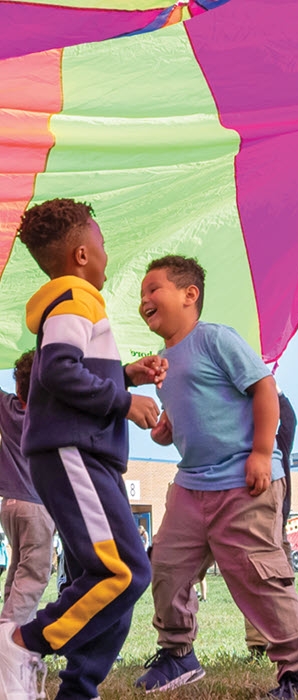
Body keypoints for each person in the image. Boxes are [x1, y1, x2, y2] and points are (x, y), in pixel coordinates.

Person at [135, 255, 298, 698]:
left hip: (244, 480)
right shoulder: (161, 363)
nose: (144, 299)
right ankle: (177, 653)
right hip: (191, 484)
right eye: (141, 295)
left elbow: (263, 388)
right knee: (165, 566)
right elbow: (187, 421)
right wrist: (166, 433)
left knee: (258, 575)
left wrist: (261, 451)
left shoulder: (214, 338)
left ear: (189, 294)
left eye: (153, 289)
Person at [0, 198, 164, 700]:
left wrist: (124, 372)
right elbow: (57, 369)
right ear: (80, 254)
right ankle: (24, 640)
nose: (105, 249)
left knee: (115, 580)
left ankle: (79, 689)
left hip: (87, 456)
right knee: (124, 571)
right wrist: (124, 399)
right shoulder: (75, 297)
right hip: (73, 453)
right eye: (101, 240)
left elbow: (68, 365)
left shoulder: (71, 301)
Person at [0, 350, 55, 628]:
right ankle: (10, 645)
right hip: (37, 506)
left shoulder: (7, 408)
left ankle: (7, 628)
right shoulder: (50, 417)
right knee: (33, 576)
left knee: (18, 572)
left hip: (9, 506)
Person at [245, 389, 297, 658]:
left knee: (270, 580)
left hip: (275, 522)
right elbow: (289, 418)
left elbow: (288, 418)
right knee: (263, 579)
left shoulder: (278, 442)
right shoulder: (252, 443)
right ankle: (260, 642)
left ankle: (278, 638)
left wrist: (273, 390)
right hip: (263, 521)